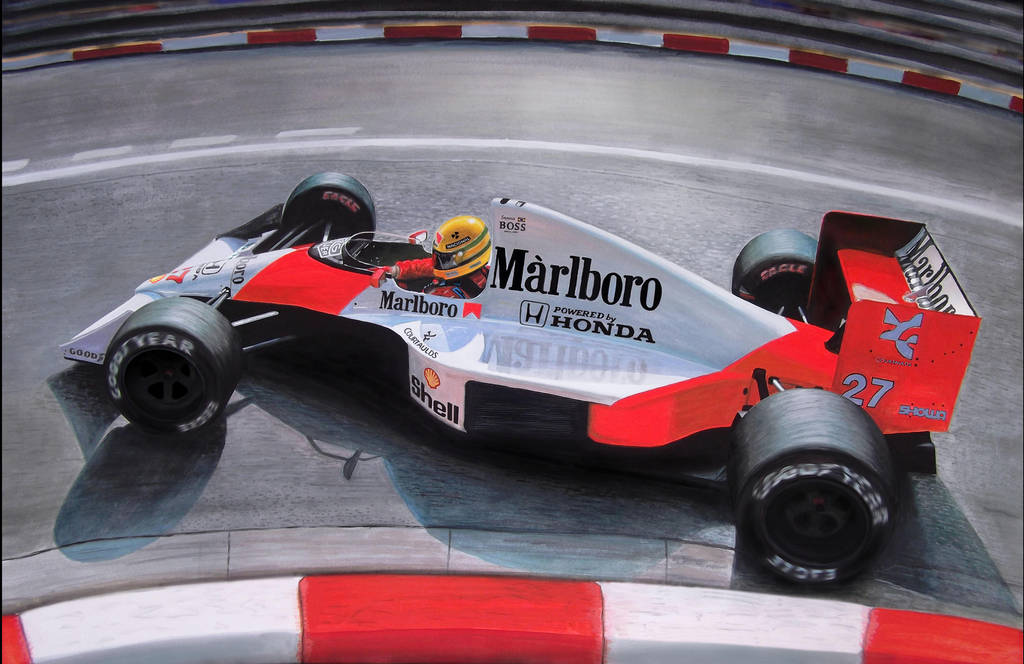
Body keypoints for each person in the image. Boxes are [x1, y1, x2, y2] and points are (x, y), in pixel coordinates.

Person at [371, 215, 492, 299]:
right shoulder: (486, 273)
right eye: (439, 257)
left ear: (469, 256)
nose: (440, 263)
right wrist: (396, 270)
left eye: (447, 259)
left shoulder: (446, 295)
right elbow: (428, 266)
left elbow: (417, 305)